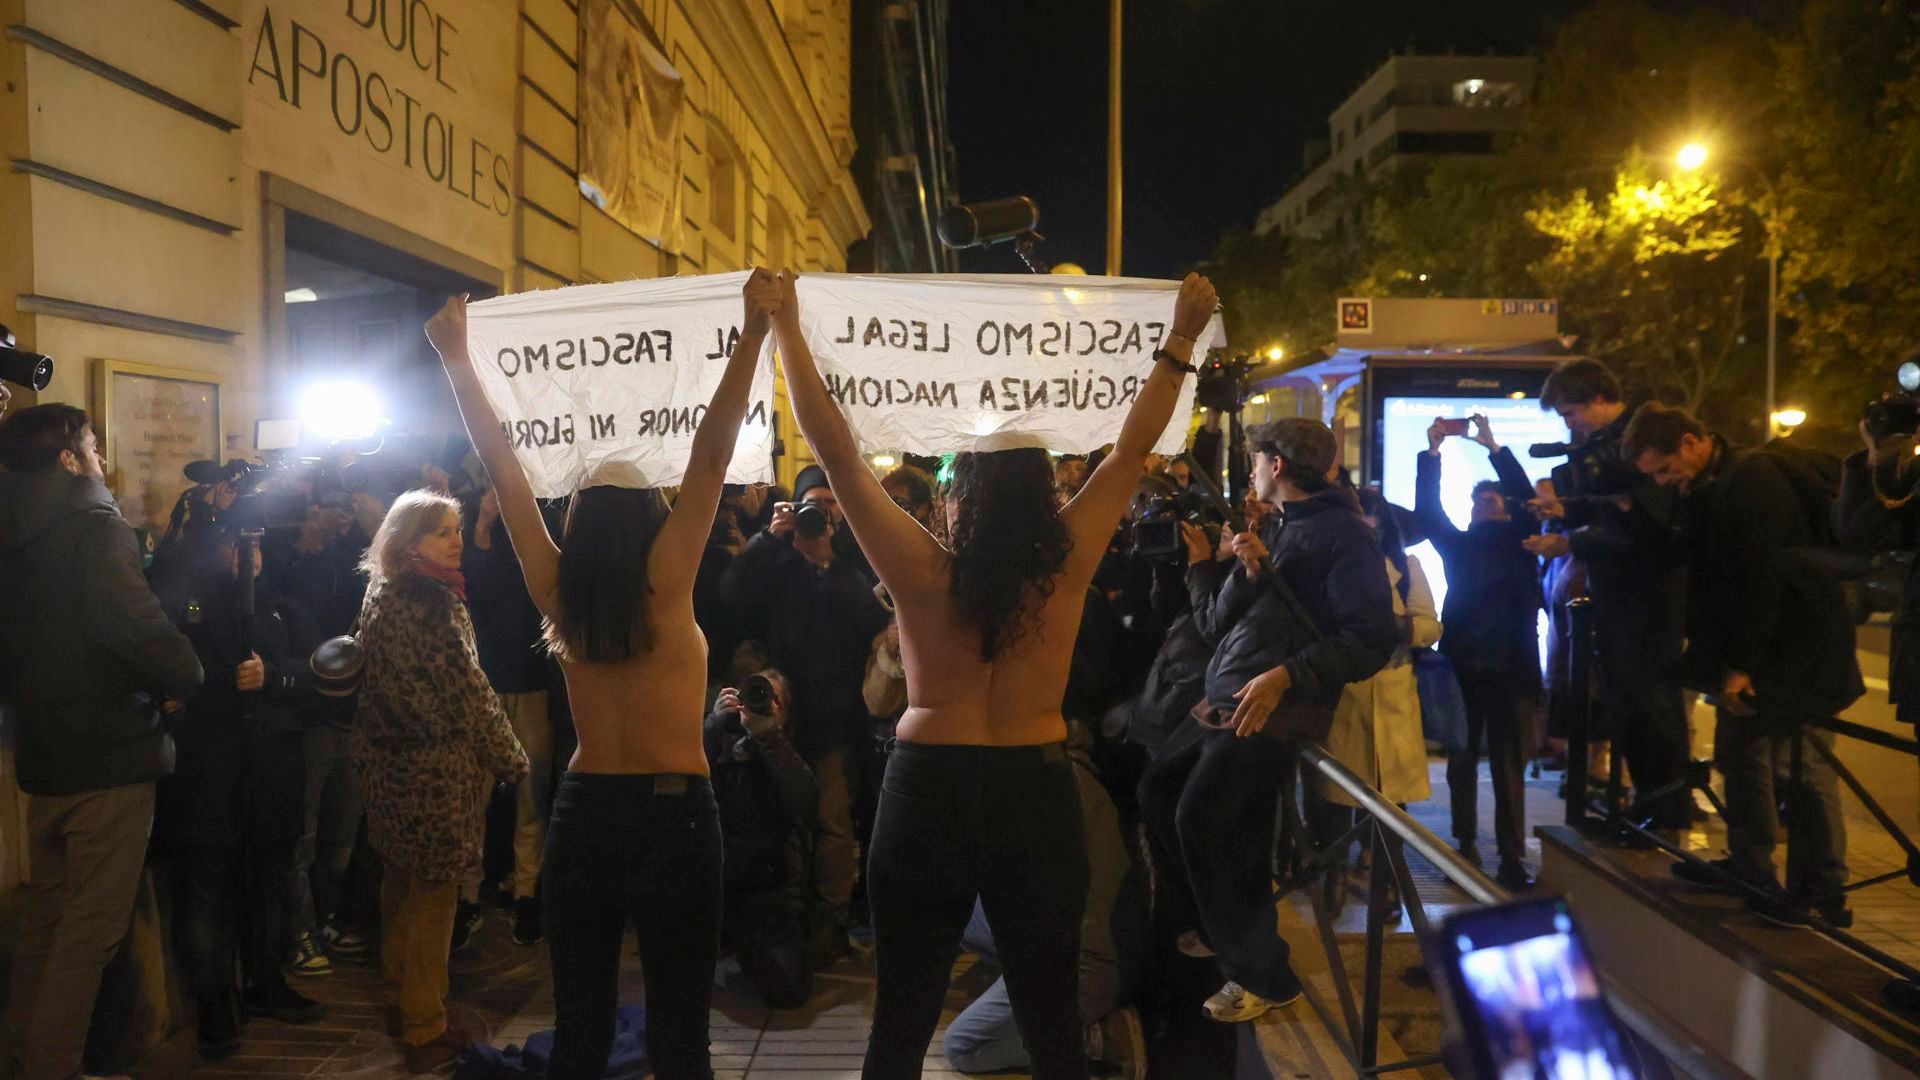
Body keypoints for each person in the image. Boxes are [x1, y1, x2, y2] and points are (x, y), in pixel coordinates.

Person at [770, 269, 1219, 1079]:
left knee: (901, 1022)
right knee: (1051, 1022)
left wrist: (787, 330)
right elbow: (1128, 451)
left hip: (927, 787)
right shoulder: (1065, 563)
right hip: (1034, 786)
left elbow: (835, 454)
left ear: (962, 495)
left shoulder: (921, 568)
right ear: (1041, 493)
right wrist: (1181, 336)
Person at [427, 272, 775, 1079]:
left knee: (580, 1034)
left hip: (584, 813)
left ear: (579, 519)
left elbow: (504, 467)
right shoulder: (668, 579)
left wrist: (456, 359)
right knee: (680, 1038)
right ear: (651, 516)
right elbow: (712, 449)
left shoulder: (558, 586)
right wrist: (752, 334)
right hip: (675, 816)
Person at [1138, 417, 1396, 1024]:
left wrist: (1286, 676)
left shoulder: (1343, 534)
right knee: (1160, 791)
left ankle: (1263, 973)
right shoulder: (1284, 526)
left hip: (1273, 711)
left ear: (1276, 465)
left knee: (1207, 819)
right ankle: (1217, 928)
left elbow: (1370, 637)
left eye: (1256, 461)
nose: (1252, 472)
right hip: (1229, 698)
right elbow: (1223, 624)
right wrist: (1247, 570)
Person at [0, 404, 205, 1080]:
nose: (101, 459)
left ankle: (21, 1056)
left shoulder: (10, 529)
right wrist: (185, 672)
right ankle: (51, 1067)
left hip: (43, 752)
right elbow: (134, 626)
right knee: (89, 932)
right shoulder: (93, 527)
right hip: (109, 751)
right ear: (68, 459)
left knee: (44, 924)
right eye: (92, 447)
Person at [1623, 404, 1859, 925]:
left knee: (1803, 767)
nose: (1663, 481)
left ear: (1691, 443)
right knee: (1741, 756)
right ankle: (1752, 867)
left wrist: (1740, 666)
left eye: (1665, 469)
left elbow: (1760, 581)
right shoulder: (1709, 486)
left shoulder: (1754, 482)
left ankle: (1820, 891)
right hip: (1763, 651)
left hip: (1797, 652)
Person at [350, 489, 530, 1073]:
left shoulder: (380, 591)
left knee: (400, 880)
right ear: (410, 543)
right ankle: (424, 1021)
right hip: (434, 771)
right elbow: (469, 691)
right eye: (442, 532)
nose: (456, 541)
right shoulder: (436, 604)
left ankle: (401, 986)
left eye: (456, 530)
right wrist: (510, 757)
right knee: (434, 894)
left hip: (387, 765)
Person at [155, 529, 327, 1060]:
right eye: (233, 543)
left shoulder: (280, 605)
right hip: (209, 778)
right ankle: (214, 1004)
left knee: (269, 883)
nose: (245, 555)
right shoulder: (188, 604)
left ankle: (266, 980)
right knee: (208, 893)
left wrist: (272, 677)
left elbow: (314, 665)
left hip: (270, 773)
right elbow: (174, 671)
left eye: (252, 544)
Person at [721, 461, 891, 965]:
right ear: (794, 509)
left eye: (834, 503)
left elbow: (872, 619)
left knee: (833, 820)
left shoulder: (855, 554)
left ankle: (830, 920)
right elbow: (730, 599)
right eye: (815, 504)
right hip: (783, 710)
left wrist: (827, 565)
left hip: (837, 715)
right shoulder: (774, 556)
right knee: (785, 819)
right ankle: (788, 911)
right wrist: (767, 542)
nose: (826, 514)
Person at [1523, 360, 1689, 831]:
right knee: (1628, 706)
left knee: (1651, 707)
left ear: (1599, 398)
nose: (1569, 425)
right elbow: (1611, 511)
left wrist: (1571, 543)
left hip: (1647, 599)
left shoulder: (1642, 438)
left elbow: (1643, 528)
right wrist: (1567, 509)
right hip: (1618, 597)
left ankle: (1665, 810)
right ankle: (1648, 806)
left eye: (1571, 413)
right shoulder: (1606, 444)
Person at [941, 722, 1149, 1080]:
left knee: (965, 1046)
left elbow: (1031, 906)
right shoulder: (1057, 768)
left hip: (1084, 962)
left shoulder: (1050, 792)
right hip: (1068, 938)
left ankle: (1102, 1038)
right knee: (947, 904)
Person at [1414, 415, 1543, 890]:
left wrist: (1494, 447)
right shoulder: (1461, 545)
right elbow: (1429, 511)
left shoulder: (1524, 542)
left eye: (1490, 501)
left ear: (1506, 511)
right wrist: (1432, 454)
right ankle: (1466, 843)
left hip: (1508, 668)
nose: (1481, 506)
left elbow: (1526, 498)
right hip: (1467, 667)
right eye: (1477, 501)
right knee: (1463, 760)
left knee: (1506, 765)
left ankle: (1509, 855)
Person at [1315, 490, 1440, 889]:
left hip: (1392, 697)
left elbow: (1430, 625)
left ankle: (1382, 881)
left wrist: (1400, 627)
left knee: (1389, 801)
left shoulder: (1407, 566)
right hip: (1345, 696)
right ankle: (1333, 878)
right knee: (1338, 796)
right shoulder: (1330, 564)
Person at [462, 486, 555, 946]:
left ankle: (526, 892)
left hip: (532, 682)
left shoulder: (544, 525)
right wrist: (482, 525)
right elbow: (473, 590)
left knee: (531, 795)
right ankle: (466, 894)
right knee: (473, 796)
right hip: (487, 685)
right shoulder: (476, 531)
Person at [704, 670, 818, 1008]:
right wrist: (712, 726)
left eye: (770, 698)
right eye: (750, 694)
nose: (758, 703)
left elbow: (806, 801)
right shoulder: (718, 742)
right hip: (712, 885)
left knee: (789, 989)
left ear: (784, 712)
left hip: (764, 891)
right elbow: (682, 786)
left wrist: (768, 736)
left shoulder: (787, 751)